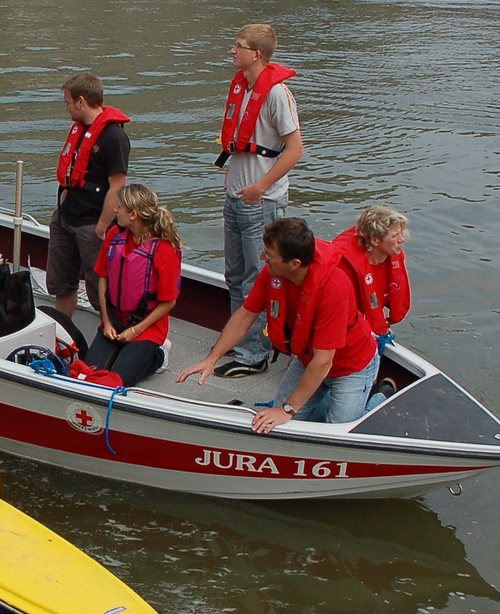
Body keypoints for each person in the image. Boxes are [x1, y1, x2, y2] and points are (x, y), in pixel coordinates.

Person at [175, 217, 378, 433]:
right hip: (306, 359)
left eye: (270, 255)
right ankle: (322, 401)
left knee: (339, 431)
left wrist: (287, 410)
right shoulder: (274, 274)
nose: (263, 258)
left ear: (294, 264)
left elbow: (323, 361)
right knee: (282, 426)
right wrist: (211, 359)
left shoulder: (334, 290)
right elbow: (245, 316)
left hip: (350, 366)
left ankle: (375, 401)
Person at [211, 23, 305, 380]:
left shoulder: (277, 94)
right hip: (236, 196)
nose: (232, 51)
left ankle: (255, 353)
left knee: (256, 278)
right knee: (235, 274)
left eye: (239, 46)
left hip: (260, 202)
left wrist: (260, 186)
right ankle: (241, 342)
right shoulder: (242, 88)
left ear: (257, 54)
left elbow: (294, 150)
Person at [48, 71, 129, 326]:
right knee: (62, 283)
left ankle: (114, 331)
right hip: (65, 218)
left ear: (82, 101)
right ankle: (63, 330)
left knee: (99, 289)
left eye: (68, 102)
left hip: (92, 224)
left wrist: (102, 227)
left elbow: (117, 186)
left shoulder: (114, 138)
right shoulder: (79, 129)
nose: (67, 107)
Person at [85, 184, 181, 386]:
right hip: (116, 319)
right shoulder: (114, 236)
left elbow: (169, 302)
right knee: (88, 373)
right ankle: (124, 348)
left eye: (118, 207)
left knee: (118, 380)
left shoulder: (163, 249)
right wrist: (107, 321)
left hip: (147, 326)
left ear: (133, 215)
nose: (114, 210)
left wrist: (136, 330)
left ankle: (159, 355)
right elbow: (103, 278)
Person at [332, 205, 410, 354]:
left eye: (401, 234)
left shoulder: (393, 257)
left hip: (369, 326)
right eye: (395, 236)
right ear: (375, 240)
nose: (402, 240)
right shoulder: (343, 267)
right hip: (343, 328)